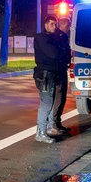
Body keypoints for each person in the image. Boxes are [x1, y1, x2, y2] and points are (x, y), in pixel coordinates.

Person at [33, 15, 60, 144]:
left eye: (55, 24)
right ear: (45, 25)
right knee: (46, 103)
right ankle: (41, 132)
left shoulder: (51, 38)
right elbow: (53, 54)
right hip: (44, 75)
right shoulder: (41, 38)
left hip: (51, 74)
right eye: (51, 24)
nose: (54, 27)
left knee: (50, 102)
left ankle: (47, 129)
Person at [48, 17, 71, 135]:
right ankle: (53, 124)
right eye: (68, 26)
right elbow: (59, 53)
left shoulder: (61, 36)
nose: (69, 28)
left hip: (62, 69)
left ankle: (57, 122)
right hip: (58, 70)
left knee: (62, 98)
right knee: (58, 97)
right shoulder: (59, 36)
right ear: (62, 25)